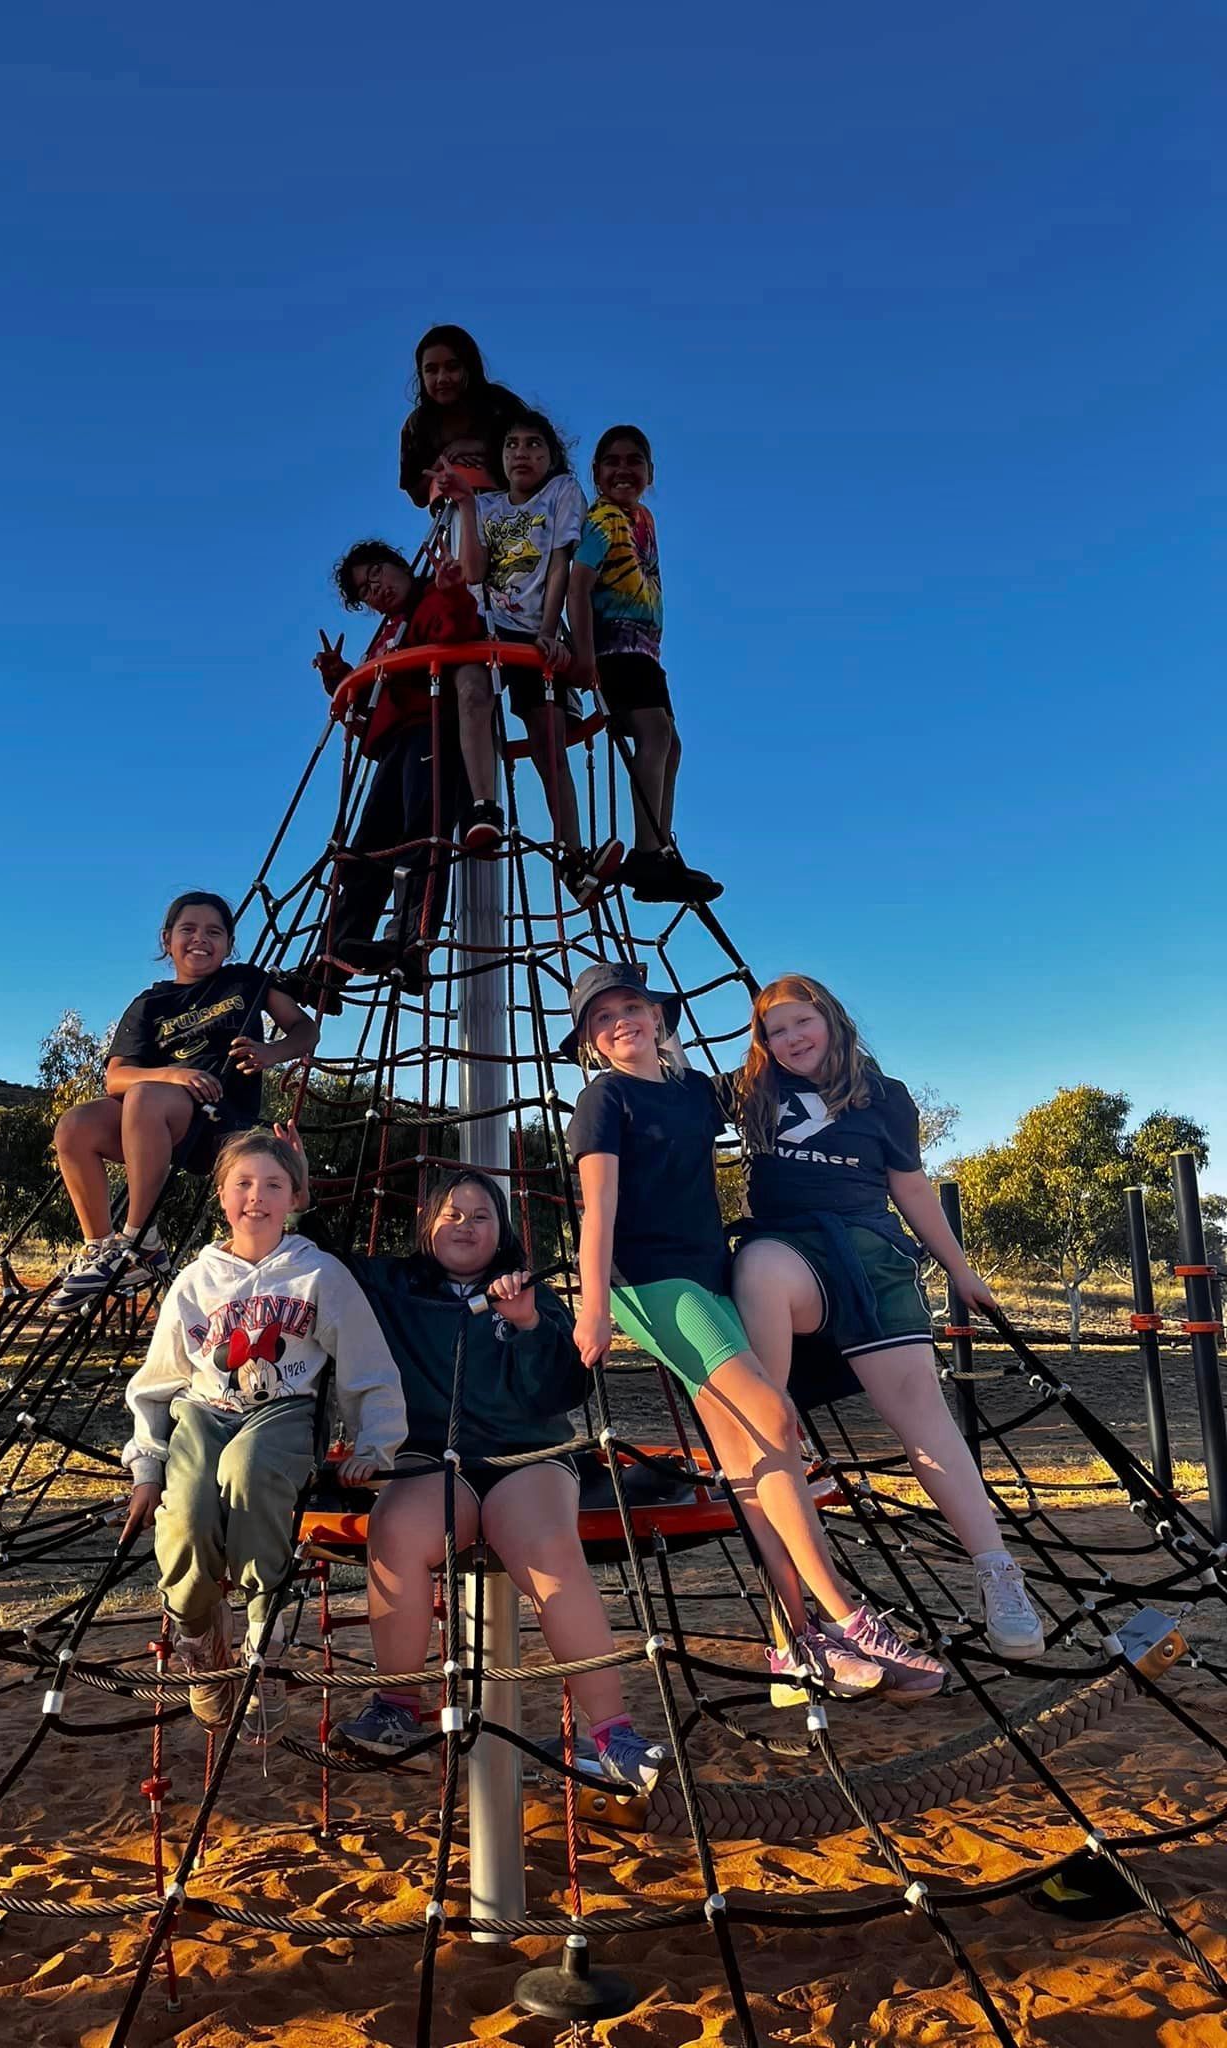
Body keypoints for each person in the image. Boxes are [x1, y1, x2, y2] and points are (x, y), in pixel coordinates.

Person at [564, 962, 948, 1708]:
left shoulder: (694, 1092)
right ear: (590, 1039)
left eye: (632, 1007)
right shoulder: (603, 1100)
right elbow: (597, 1209)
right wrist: (591, 1304)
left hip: (710, 1270)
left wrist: (834, 1064)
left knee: (747, 1458)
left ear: (657, 1016)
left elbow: (787, 1093)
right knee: (774, 1416)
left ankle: (790, 1642)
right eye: (603, 1017)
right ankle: (849, 1619)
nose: (622, 1023)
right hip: (651, 1284)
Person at [287, 1142, 669, 1790]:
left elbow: (562, 1393)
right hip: (435, 1457)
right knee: (396, 1532)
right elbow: (322, 1257)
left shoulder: (528, 1294)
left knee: (549, 1548)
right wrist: (299, 1187)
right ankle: (398, 1706)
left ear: (504, 1232)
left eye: (481, 1216)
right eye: (451, 1214)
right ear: (427, 1227)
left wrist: (526, 1327)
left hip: (527, 1456)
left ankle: (613, 1734)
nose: (465, 1224)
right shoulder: (392, 1287)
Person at [723, 975, 1046, 1660]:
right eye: (774, 1032)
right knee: (757, 1278)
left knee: (924, 1418)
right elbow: (666, 1098)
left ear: (831, 1020)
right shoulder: (751, 1090)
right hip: (788, 1249)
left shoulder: (883, 1096)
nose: (790, 1040)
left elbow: (910, 1187)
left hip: (870, 1253)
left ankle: (998, 1572)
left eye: (800, 1023)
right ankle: (788, 1572)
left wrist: (959, 1269)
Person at [120, 1128, 407, 1743]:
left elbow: (365, 1361)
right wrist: (147, 1466)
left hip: (283, 1411)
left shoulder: (319, 1274)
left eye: (273, 1184)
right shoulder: (195, 1281)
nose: (257, 1196)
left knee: (250, 1475)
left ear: (293, 1198)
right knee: (188, 1516)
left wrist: (373, 1444)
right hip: (203, 1411)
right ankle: (200, 1635)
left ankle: (264, 1643)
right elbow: (159, 1379)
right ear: (221, 1195)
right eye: (243, 1184)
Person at [48, 894, 317, 1315]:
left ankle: (139, 1238)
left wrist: (272, 1052)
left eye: (214, 932)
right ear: (167, 939)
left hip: (224, 1125)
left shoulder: (246, 981)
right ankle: (102, 1247)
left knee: (145, 1095)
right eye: (188, 930)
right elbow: (116, 1076)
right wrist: (172, 1074)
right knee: (75, 1123)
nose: (200, 939)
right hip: (161, 1125)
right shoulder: (150, 1004)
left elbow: (305, 1029)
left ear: (228, 944)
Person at [293, 539, 504, 1014]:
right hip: (394, 743)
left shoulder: (432, 597)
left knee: (422, 835)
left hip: (434, 729)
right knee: (365, 851)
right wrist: (341, 677)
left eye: (376, 574)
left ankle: (410, 943)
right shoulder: (388, 630)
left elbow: (457, 634)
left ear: (397, 564)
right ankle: (335, 956)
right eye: (365, 591)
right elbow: (373, 699)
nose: (376, 590)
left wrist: (451, 591)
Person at [447, 408, 623, 906]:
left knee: (549, 739)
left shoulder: (561, 491)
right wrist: (464, 506)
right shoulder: (488, 506)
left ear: (551, 456)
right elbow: (475, 573)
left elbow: (561, 564)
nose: (521, 453)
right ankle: (485, 808)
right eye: (511, 446)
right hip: (486, 627)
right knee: (470, 694)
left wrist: (549, 631)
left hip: (533, 631)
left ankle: (573, 857)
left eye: (533, 445)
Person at [566, 427, 717, 906]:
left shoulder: (643, 519)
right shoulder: (603, 520)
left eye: (635, 461)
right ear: (595, 473)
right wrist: (585, 654)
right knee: (653, 733)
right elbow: (578, 586)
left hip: (646, 652)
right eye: (611, 462)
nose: (623, 470)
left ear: (650, 473)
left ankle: (661, 846)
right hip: (615, 649)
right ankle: (648, 852)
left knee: (671, 744)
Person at [398, 324, 525, 512]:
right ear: (421, 376)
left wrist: (483, 448)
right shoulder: (417, 426)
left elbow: (539, 455)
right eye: (431, 370)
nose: (442, 378)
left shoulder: (499, 405)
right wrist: (441, 464)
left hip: (512, 516)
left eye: (452, 367)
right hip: (451, 521)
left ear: (469, 367)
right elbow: (417, 496)